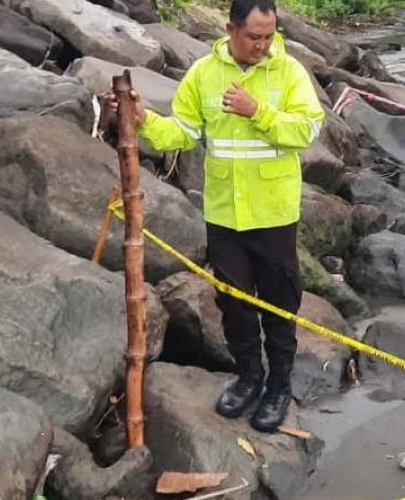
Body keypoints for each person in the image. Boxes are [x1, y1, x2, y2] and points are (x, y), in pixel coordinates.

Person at [101, 0, 324, 432]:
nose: (263, 45)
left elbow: (306, 131)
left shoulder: (289, 72)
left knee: (279, 303)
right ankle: (249, 377)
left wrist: (257, 111)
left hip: (274, 212)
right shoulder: (204, 73)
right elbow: (182, 132)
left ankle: (279, 385)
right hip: (224, 214)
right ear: (230, 29)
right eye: (254, 36)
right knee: (234, 302)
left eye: (269, 36)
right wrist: (144, 120)